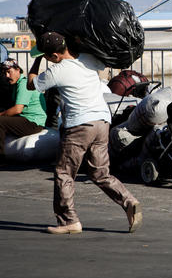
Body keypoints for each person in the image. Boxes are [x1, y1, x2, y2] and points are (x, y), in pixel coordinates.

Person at [27, 32, 141, 235]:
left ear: (54, 55)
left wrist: (36, 62)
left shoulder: (57, 71)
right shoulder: (89, 59)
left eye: (46, 56)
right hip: (102, 121)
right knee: (100, 172)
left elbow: (31, 84)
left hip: (80, 125)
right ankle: (129, 201)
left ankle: (68, 221)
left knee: (64, 173)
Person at [0, 59, 47, 167]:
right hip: (25, 118)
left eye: (9, 72)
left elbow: (18, 109)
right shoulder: (16, 85)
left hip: (33, 122)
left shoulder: (23, 84)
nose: (7, 76)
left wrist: (0, 115)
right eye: (5, 73)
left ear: (18, 70)